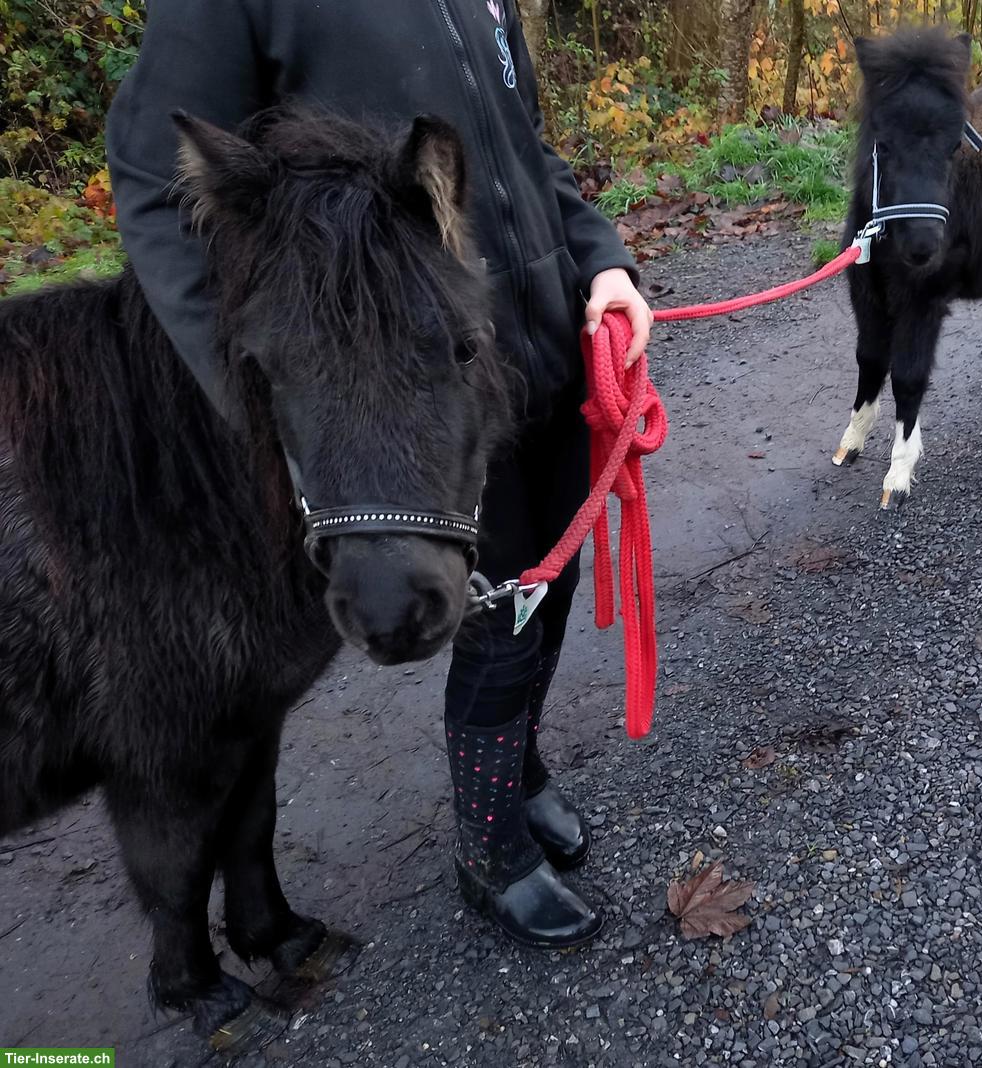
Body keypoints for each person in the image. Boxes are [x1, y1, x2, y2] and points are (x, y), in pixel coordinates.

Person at [107, 0, 653, 949]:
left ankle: (518, 776)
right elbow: (158, 182)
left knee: (546, 590)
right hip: (405, 398)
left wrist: (602, 265)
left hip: (537, 357)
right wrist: (266, 393)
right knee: (498, 618)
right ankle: (491, 853)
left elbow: (527, 156)